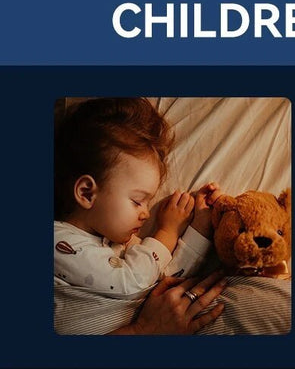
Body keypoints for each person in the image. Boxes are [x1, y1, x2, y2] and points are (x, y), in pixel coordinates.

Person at [53, 98, 218, 300]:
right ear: (87, 193)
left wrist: (200, 229)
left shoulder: (121, 243)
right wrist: (167, 232)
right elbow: (132, 284)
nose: (146, 213)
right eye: (137, 201)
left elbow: (166, 283)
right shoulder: (59, 241)